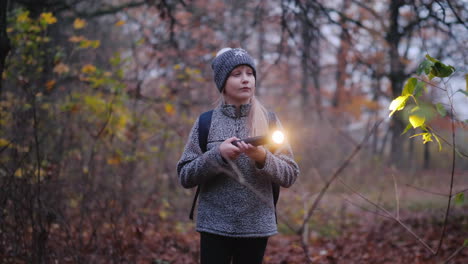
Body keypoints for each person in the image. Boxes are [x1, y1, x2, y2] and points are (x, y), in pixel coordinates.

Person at [176, 47, 300, 264]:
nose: (246, 80)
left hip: (256, 227)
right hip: (214, 227)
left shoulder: (269, 121)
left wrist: (263, 157)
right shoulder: (206, 122)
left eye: (249, 73)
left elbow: (290, 175)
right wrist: (217, 155)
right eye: (237, 74)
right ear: (222, 81)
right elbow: (186, 176)